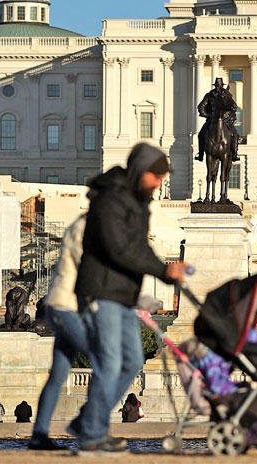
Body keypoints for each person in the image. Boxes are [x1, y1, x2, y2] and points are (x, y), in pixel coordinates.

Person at [73, 143, 185, 454]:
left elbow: (140, 247)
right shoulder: (111, 199)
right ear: (140, 172)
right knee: (111, 363)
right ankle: (92, 434)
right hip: (100, 291)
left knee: (133, 360)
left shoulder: (138, 202)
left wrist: (165, 271)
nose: (160, 183)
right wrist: (163, 271)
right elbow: (118, 249)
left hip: (122, 297)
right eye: (156, 176)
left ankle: (88, 422)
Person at [29, 215, 90, 451]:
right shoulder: (87, 227)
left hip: (64, 305)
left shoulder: (90, 225)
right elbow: (89, 271)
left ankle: (39, 435)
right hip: (68, 307)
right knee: (106, 359)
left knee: (58, 374)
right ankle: (87, 424)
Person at [196, 78, 239, 162]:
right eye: (217, 86)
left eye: (219, 85)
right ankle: (200, 154)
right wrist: (208, 115)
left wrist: (228, 114)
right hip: (211, 120)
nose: (218, 87)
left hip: (225, 121)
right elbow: (201, 107)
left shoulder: (227, 95)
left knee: (235, 134)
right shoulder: (209, 95)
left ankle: (235, 153)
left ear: (222, 86)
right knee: (201, 134)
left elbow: (234, 106)